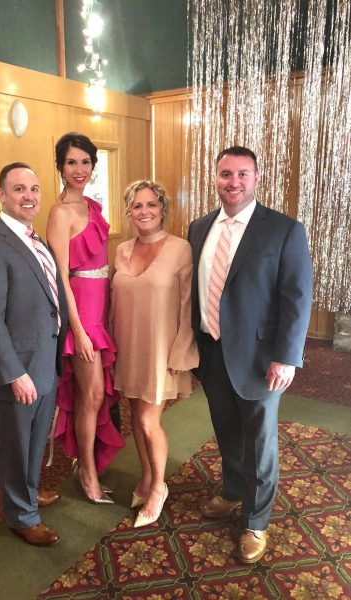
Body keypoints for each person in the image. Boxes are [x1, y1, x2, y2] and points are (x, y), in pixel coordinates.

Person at [188, 146, 313, 563]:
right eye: (226, 174)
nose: (234, 182)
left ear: (257, 178)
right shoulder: (199, 228)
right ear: (216, 178)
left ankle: (256, 521)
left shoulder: (283, 230)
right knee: (226, 430)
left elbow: (297, 297)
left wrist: (287, 356)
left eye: (243, 174)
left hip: (261, 358)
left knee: (259, 442)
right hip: (211, 351)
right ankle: (232, 492)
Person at [0, 163, 68, 547]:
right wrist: (13, 373)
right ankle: (21, 516)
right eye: (19, 189)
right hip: (17, 370)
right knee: (14, 446)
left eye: (34, 189)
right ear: (2, 195)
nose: (29, 196)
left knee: (35, 439)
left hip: (45, 361)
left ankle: (30, 491)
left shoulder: (36, 241)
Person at [111, 180, 199, 528]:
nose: (144, 211)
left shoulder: (180, 249)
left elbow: (188, 306)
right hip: (128, 347)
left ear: (163, 209)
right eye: (137, 205)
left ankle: (159, 486)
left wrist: (181, 352)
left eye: (151, 204)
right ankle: (147, 476)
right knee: (136, 415)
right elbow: (114, 303)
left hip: (162, 349)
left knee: (149, 420)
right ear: (129, 211)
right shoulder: (121, 250)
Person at [47, 132, 124, 504]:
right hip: (81, 316)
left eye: (85, 162)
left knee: (94, 395)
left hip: (100, 310)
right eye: (71, 162)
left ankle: (87, 464)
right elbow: (60, 277)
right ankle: (87, 473)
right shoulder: (59, 212)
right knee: (90, 395)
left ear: (93, 165)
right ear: (60, 167)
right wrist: (78, 331)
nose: (79, 169)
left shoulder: (93, 205)